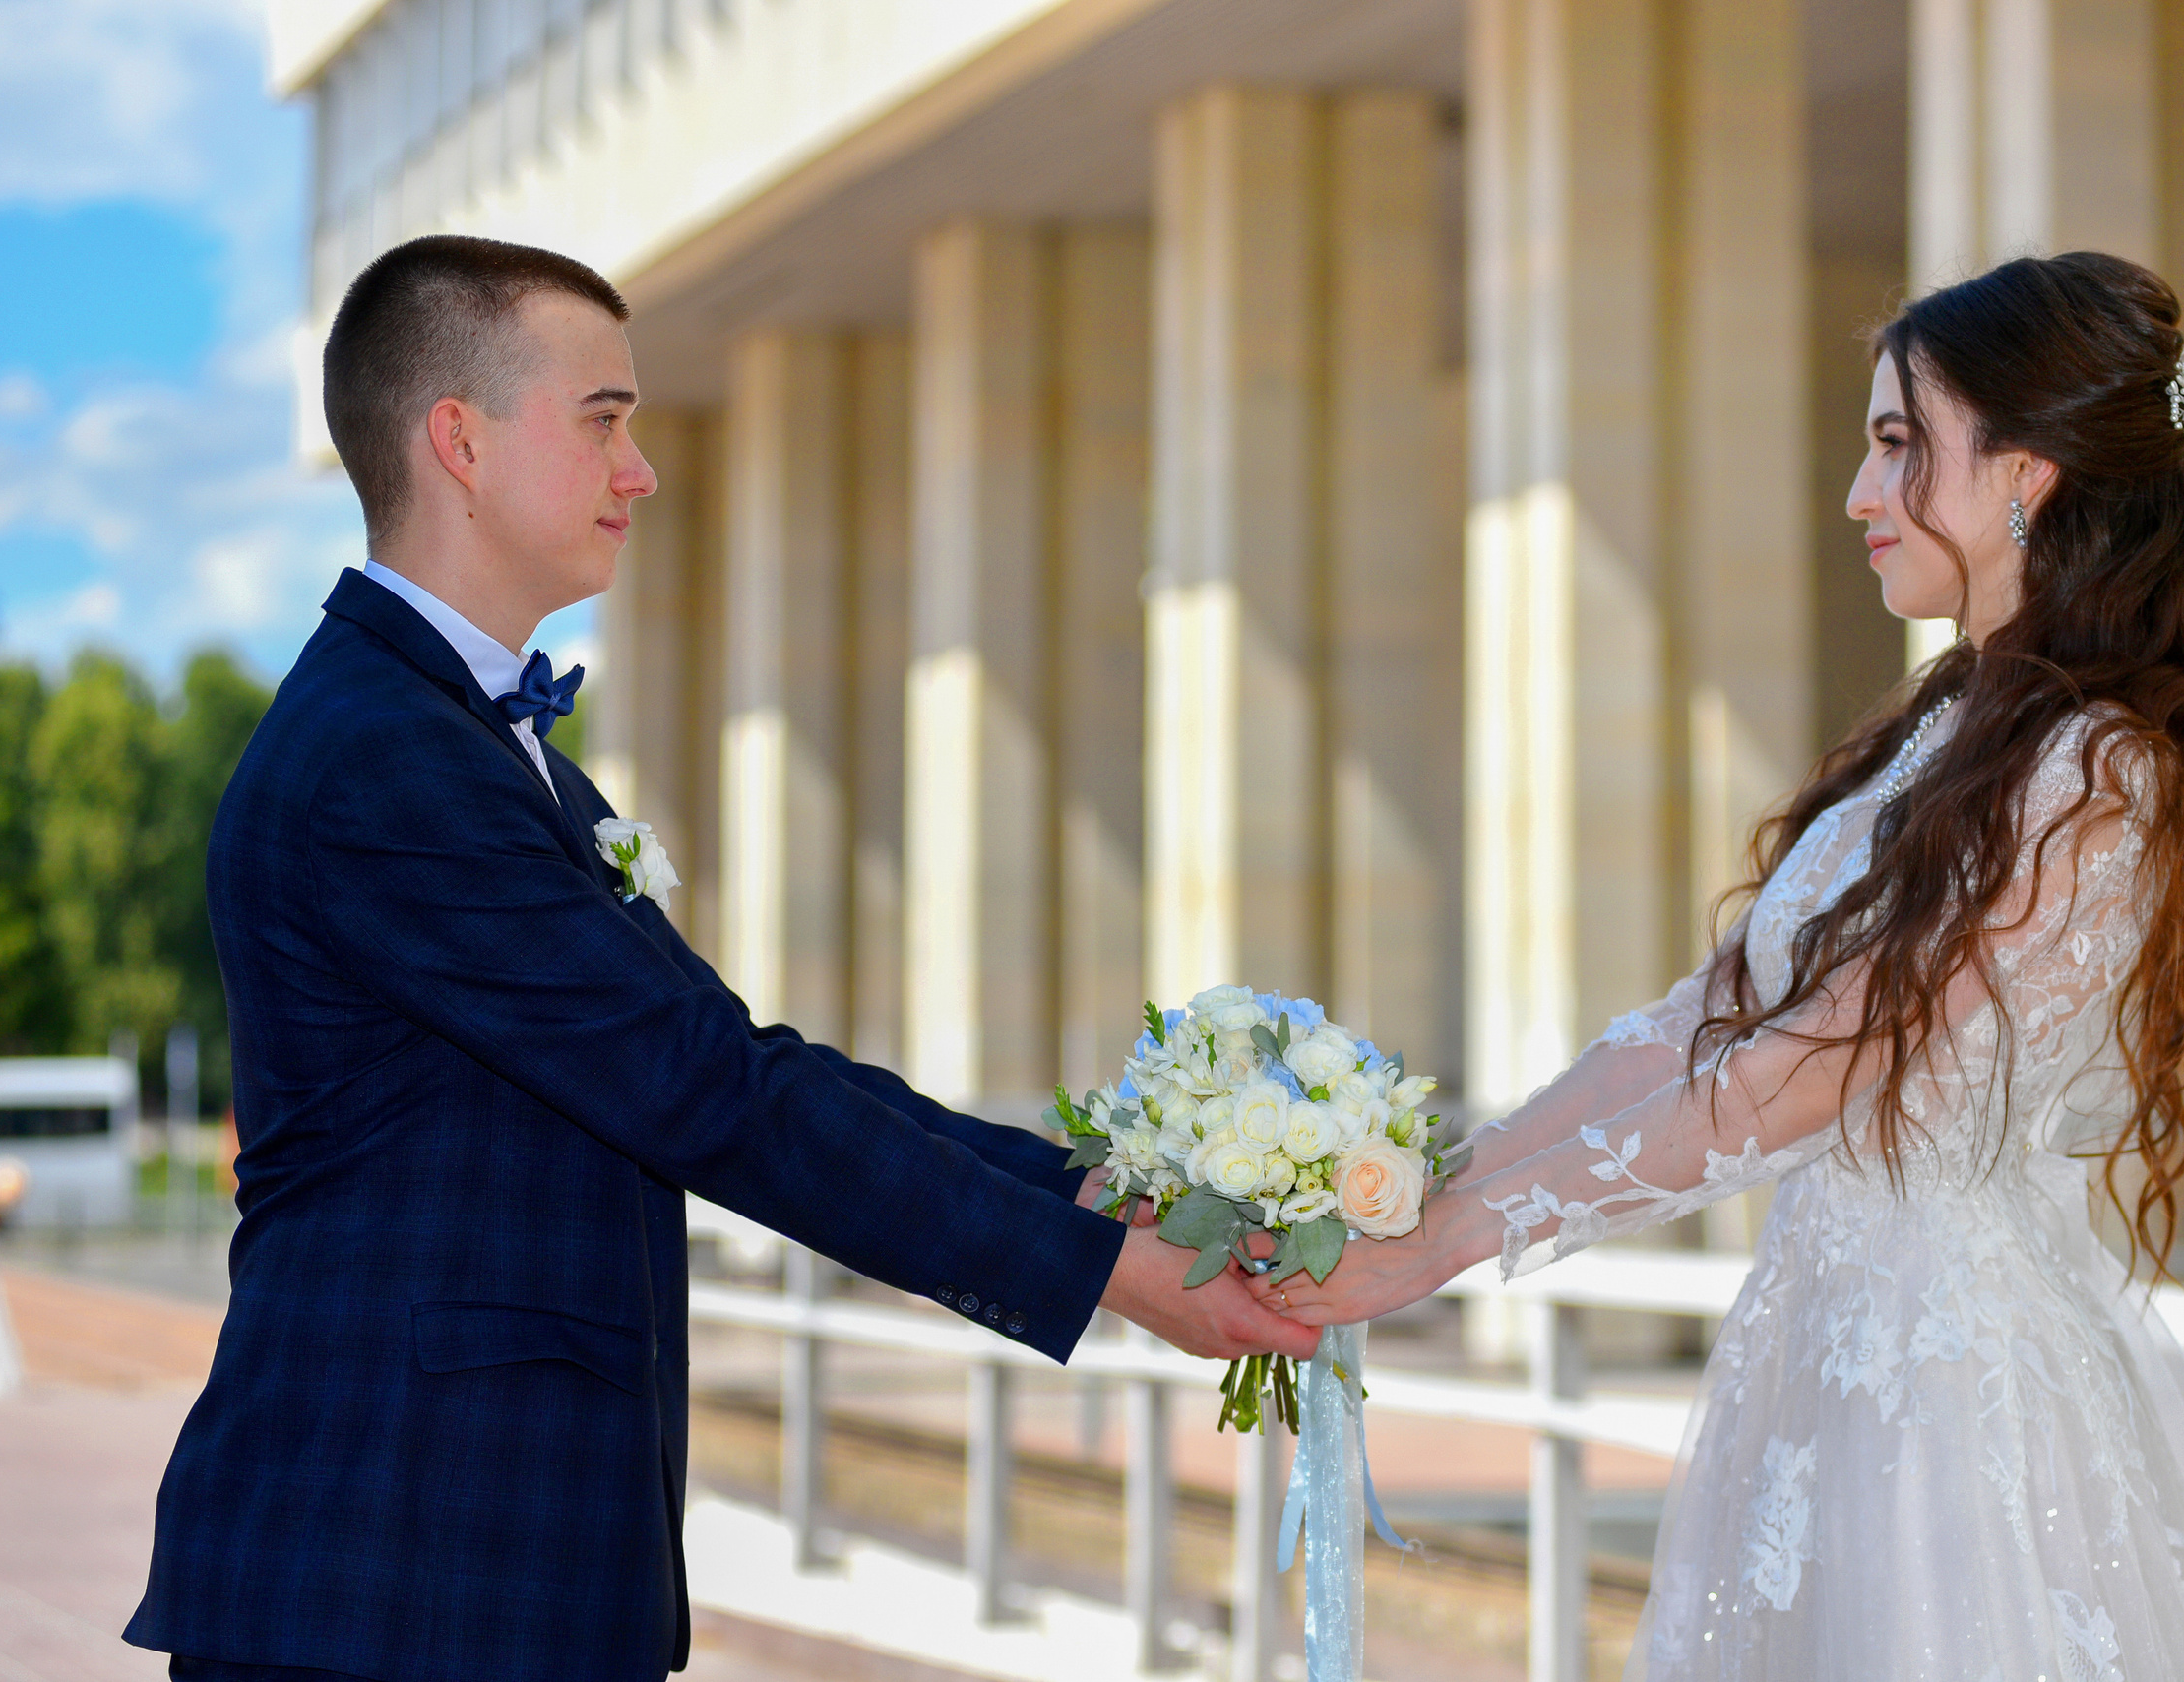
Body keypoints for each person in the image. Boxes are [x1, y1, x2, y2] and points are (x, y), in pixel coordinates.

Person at [126, 234, 1316, 1682]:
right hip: (389, 1577)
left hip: (474, 1578)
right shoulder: (384, 761)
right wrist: (1104, 1271)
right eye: (604, 419)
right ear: (460, 439)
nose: (641, 471)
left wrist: (1110, 1195)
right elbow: (712, 1093)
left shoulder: (504, 766)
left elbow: (750, 1063)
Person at [1253, 253, 2184, 1680]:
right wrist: (1437, 1185)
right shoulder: (1950, 729)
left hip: (1946, 1399)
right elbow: (1702, 1026)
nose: (1860, 493)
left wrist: (1459, 1243)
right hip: (1821, 1351)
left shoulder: (2092, 770)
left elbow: (1811, 1074)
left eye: (1898, 443)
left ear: (2027, 477)